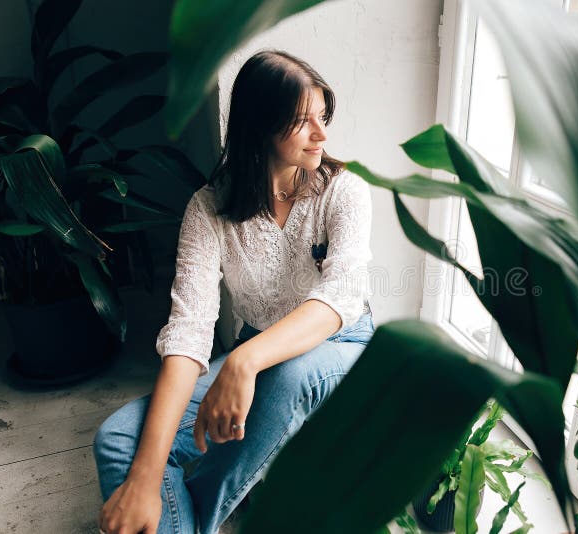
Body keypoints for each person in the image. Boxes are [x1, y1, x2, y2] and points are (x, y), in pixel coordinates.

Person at [93, 50, 374, 534]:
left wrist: (245, 362)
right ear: (260, 126)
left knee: (286, 379)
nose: (322, 134)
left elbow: (342, 297)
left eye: (322, 116)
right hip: (262, 351)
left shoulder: (344, 190)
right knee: (117, 439)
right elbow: (189, 331)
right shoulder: (207, 210)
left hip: (343, 346)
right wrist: (144, 475)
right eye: (302, 121)